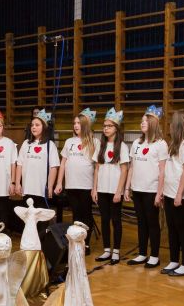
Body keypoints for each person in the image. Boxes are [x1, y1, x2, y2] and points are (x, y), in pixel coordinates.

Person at [125, 106, 167, 267]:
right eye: (141, 121)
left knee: (152, 223)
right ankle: (142, 253)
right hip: (137, 189)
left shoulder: (161, 144)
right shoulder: (137, 142)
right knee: (141, 222)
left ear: (153, 123)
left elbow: (162, 171)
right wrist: (127, 187)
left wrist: (159, 193)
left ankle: (154, 256)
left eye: (145, 121)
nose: (142, 123)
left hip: (151, 190)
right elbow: (132, 167)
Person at [57, 109, 98, 244]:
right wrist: (59, 183)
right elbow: (63, 163)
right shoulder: (69, 141)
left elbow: (97, 167)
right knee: (76, 214)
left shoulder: (94, 142)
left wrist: (95, 187)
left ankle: (86, 244)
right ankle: (77, 242)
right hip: (71, 185)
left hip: (86, 185)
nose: (75, 125)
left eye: (79, 123)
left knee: (86, 215)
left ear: (85, 125)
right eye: (74, 123)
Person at [161, 110, 184, 277]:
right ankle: (174, 260)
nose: (170, 125)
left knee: (182, 229)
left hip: (180, 195)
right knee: (172, 228)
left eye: (172, 123)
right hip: (169, 192)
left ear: (179, 125)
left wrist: (179, 194)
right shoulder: (174, 143)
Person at [94, 108, 129, 264]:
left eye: (109, 126)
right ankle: (107, 249)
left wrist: (119, 191)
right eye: (104, 126)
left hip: (115, 190)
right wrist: (94, 188)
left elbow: (124, 170)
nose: (106, 128)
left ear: (116, 128)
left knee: (116, 220)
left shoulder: (122, 146)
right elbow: (97, 168)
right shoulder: (100, 145)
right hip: (102, 189)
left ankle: (116, 251)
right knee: (104, 220)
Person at [14, 110, 59, 211]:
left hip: (41, 190)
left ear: (44, 127)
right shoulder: (26, 143)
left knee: (41, 217)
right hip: (27, 188)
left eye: (37, 125)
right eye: (32, 125)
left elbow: (53, 167)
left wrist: (50, 186)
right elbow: (19, 164)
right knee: (28, 216)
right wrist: (17, 183)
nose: (33, 127)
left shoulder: (50, 145)